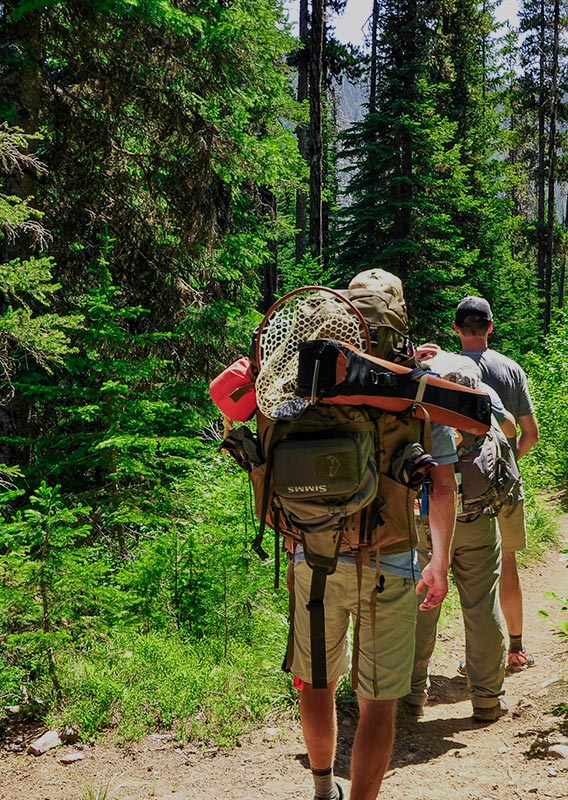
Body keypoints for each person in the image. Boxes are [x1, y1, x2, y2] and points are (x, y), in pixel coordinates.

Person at [287, 271, 458, 800]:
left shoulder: (301, 381)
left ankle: (322, 790)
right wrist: (440, 562)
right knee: (378, 701)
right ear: (398, 319)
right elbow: (445, 488)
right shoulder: (420, 389)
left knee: (315, 683)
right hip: (391, 559)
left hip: (311, 554)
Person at [404, 349, 514, 723]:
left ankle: (411, 697)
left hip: (424, 524)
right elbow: (511, 430)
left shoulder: (422, 415)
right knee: (482, 606)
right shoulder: (476, 403)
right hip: (476, 520)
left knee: (418, 607)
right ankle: (486, 699)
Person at [453, 296, 539, 670]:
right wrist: (505, 465)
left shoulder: (444, 369)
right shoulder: (511, 369)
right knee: (506, 562)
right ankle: (516, 649)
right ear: (490, 326)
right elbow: (530, 434)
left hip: (459, 488)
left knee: (468, 574)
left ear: (456, 329)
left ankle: (477, 658)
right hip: (504, 487)